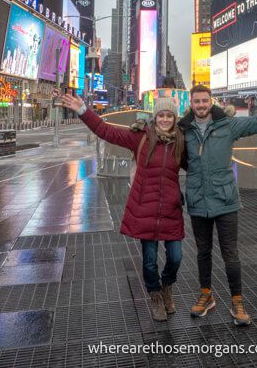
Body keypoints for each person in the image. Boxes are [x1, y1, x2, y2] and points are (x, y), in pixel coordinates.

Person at [179, 84, 257, 326]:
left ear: (210, 101)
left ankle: (237, 301)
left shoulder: (227, 124)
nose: (201, 105)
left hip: (225, 200)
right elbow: (160, 137)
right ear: (191, 104)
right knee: (203, 252)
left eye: (205, 101)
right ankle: (206, 295)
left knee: (230, 254)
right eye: (197, 102)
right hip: (198, 200)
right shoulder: (184, 129)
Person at [60, 92, 185, 322]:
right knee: (149, 261)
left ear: (174, 118)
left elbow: (201, 160)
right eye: (161, 115)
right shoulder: (141, 138)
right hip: (145, 209)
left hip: (171, 210)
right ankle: (155, 295)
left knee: (175, 258)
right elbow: (106, 131)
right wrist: (82, 111)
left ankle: (167, 287)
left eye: (169, 115)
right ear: (155, 117)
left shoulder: (180, 141)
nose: (165, 119)